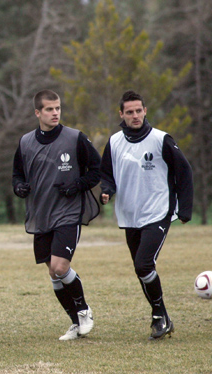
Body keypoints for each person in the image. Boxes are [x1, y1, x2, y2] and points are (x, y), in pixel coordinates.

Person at [100, 90, 193, 340]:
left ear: (145, 111)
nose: (135, 115)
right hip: (130, 214)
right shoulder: (114, 142)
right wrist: (107, 191)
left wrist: (184, 208)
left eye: (138, 110)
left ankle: (159, 316)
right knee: (140, 269)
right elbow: (106, 174)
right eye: (129, 112)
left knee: (143, 264)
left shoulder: (161, 139)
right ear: (121, 114)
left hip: (158, 211)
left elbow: (184, 171)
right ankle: (159, 316)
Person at [12, 89, 99, 341]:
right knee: (53, 272)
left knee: (61, 267)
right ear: (38, 112)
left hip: (68, 213)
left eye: (58, 108)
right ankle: (74, 322)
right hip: (41, 215)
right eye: (49, 109)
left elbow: (96, 169)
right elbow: (17, 174)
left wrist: (77, 185)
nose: (55, 113)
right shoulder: (26, 142)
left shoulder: (75, 138)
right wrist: (19, 187)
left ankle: (83, 310)